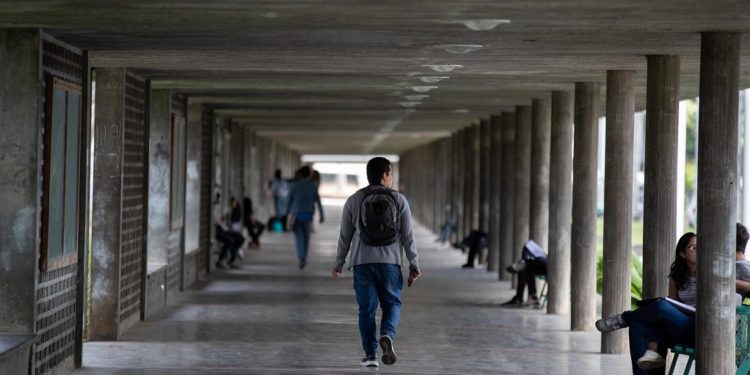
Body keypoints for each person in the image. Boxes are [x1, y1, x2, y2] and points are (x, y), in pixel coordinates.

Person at [331, 157, 421, 368]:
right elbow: (408, 237)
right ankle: (387, 334)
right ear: (385, 175)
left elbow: (345, 236)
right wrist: (414, 264)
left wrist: (338, 263)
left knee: (366, 310)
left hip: (362, 263)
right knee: (392, 303)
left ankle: (370, 355)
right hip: (390, 263)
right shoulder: (399, 200)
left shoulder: (354, 199)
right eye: (390, 174)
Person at [595, 232, 697, 374]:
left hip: (696, 328)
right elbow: (674, 305)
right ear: (682, 253)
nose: (697, 251)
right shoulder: (677, 277)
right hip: (678, 327)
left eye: (700, 247)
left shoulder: (708, 275)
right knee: (637, 326)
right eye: (693, 248)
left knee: (661, 306)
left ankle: (624, 318)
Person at [286, 166, 324, 269]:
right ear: (309, 175)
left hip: (296, 216)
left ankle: (301, 258)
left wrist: (286, 212)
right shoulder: (312, 186)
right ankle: (304, 258)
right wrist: (321, 214)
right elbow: (318, 201)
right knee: (307, 238)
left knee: (299, 238)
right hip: (308, 216)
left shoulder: (294, 186)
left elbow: (289, 200)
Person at [501, 239, 547, 307]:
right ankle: (528, 297)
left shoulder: (532, 254)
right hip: (540, 266)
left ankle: (524, 297)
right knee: (525, 268)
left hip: (547, 268)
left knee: (525, 268)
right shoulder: (536, 257)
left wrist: (521, 264)